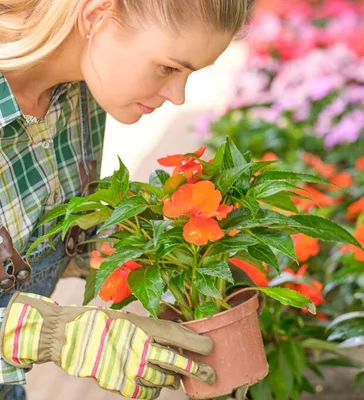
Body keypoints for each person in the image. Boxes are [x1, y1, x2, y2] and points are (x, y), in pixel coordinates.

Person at [0, 0, 254, 399]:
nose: (178, 96)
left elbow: (52, 229)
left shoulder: (79, 87)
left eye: (188, 75)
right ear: (96, 16)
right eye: (169, 67)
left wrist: (182, 269)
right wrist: (51, 334)